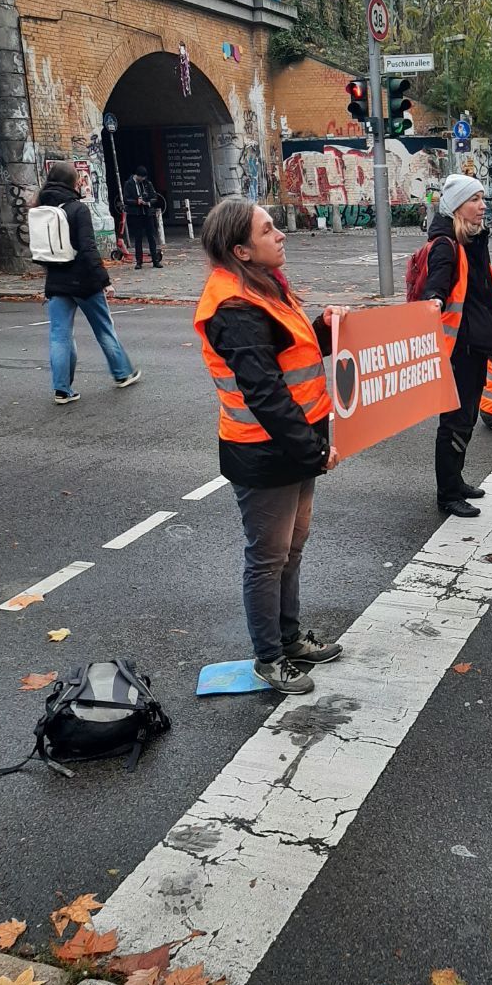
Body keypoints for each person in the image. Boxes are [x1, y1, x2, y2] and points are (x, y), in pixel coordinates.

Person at [193, 197, 346, 695]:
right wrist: (311, 450)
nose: (280, 234)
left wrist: (326, 327)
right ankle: (269, 656)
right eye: (268, 229)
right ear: (241, 250)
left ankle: (289, 638)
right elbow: (265, 392)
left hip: (290, 446)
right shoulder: (233, 307)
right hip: (264, 452)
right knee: (268, 556)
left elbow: (293, 353)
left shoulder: (263, 287)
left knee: (290, 549)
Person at [423, 173, 492, 519]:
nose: (482, 205)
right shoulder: (446, 244)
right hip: (458, 350)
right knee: (455, 421)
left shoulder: (472, 240)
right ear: (458, 206)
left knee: (468, 417)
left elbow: (484, 294)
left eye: (482, 198)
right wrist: (434, 301)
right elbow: (437, 286)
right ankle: (447, 494)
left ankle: (456, 481)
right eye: (475, 199)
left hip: (475, 347)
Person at [34, 160, 141, 405]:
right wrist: (104, 280)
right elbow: (88, 248)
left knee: (59, 336)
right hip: (83, 280)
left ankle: (62, 389)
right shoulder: (77, 209)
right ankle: (122, 373)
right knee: (103, 328)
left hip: (55, 281)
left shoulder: (40, 207)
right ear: (72, 181)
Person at [122, 165, 163, 269]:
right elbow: (126, 199)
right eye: (142, 177)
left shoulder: (147, 183)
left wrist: (148, 202)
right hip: (136, 214)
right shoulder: (129, 184)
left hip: (147, 213)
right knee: (138, 238)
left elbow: (154, 197)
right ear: (137, 176)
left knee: (151, 237)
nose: (143, 179)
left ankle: (155, 260)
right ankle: (139, 261)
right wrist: (136, 202)